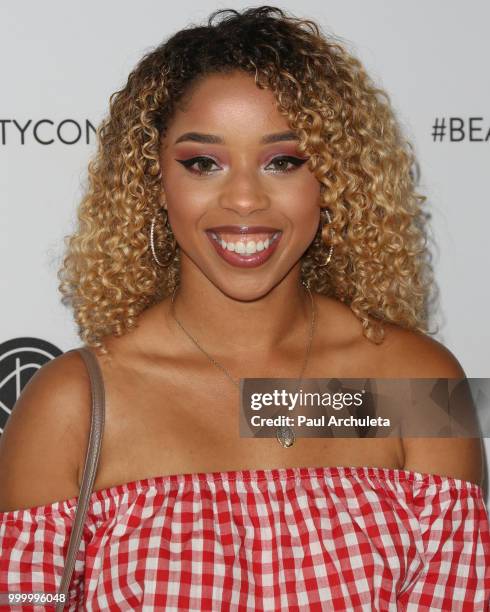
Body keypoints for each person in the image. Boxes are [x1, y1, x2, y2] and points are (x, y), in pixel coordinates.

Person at [1, 6, 489, 610]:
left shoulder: (415, 384)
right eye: (202, 162)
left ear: (333, 178)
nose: (244, 199)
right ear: (155, 181)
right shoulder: (72, 405)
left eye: (283, 161)